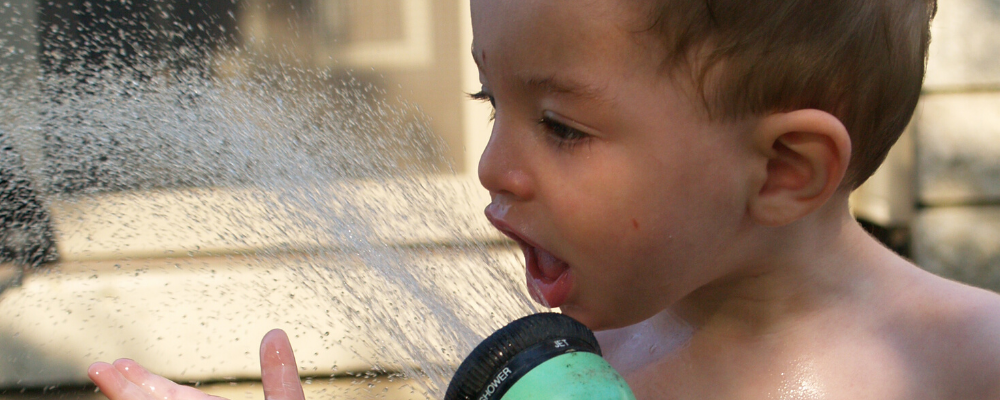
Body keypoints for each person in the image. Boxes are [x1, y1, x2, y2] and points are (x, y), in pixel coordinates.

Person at [91, 0, 1000, 399]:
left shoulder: (973, 365)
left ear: (783, 168)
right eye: (493, 103)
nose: (494, 167)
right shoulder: (566, 371)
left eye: (561, 127)